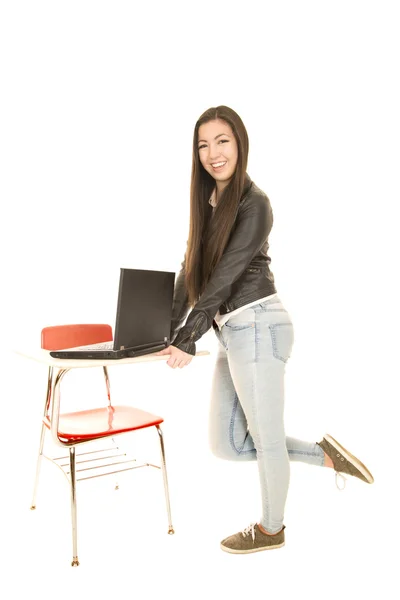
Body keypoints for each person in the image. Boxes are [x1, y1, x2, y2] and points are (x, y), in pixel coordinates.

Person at [155, 105, 374, 554]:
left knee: (267, 438)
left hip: (258, 325)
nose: (213, 153)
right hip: (233, 332)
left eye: (222, 141)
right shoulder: (209, 204)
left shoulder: (256, 205)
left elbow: (224, 277)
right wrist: (161, 327)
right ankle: (325, 454)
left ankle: (272, 530)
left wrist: (187, 336)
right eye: (203, 145)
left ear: (240, 144)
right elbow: (190, 271)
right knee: (227, 444)